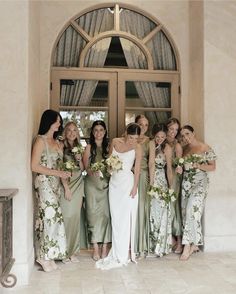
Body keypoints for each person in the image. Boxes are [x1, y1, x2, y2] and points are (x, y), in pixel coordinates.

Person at [96, 123, 142, 269]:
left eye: (136, 138)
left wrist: (135, 187)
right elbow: (109, 162)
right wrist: (110, 168)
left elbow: (138, 169)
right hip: (114, 184)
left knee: (126, 219)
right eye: (130, 137)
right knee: (116, 218)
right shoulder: (115, 142)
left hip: (128, 185)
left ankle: (123, 254)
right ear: (125, 133)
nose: (132, 141)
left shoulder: (137, 148)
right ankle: (116, 251)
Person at [31, 109, 71, 272]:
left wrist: (66, 184)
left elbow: (60, 167)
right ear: (48, 122)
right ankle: (42, 256)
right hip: (44, 183)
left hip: (56, 185)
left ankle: (49, 253)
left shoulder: (57, 142)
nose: (59, 124)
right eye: (57, 121)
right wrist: (57, 173)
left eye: (60, 122)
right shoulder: (40, 141)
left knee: (53, 218)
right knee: (48, 217)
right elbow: (34, 166)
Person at [180, 125, 216, 260]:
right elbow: (182, 166)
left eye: (188, 134)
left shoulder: (204, 147)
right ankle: (195, 243)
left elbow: (213, 166)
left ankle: (187, 246)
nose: (186, 137)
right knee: (185, 212)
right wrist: (180, 168)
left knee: (192, 209)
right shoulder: (185, 149)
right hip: (186, 182)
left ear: (193, 133)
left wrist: (199, 165)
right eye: (183, 136)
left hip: (200, 182)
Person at [83, 120, 111, 261]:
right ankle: (95, 248)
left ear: (105, 132)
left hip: (106, 184)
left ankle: (105, 247)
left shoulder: (109, 147)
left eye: (101, 130)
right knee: (92, 215)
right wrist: (91, 171)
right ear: (92, 132)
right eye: (96, 130)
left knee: (106, 215)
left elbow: (114, 164)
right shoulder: (88, 147)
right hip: (92, 185)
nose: (98, 132)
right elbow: (85, 167)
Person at [60, 121, 85, 263]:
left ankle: (73, 251)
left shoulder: (79, 147)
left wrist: (79, 159)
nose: (71, 132)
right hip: (67, 184)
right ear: (65, 132)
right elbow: (59, 167)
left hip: (78, 183)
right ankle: (64, 251)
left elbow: (82, 169)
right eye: (69, 130)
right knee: (66, 217)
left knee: (75, 218)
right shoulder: (60, 145)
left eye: (74, 130)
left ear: (77, 133)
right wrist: (66, 188)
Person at [148, 123, 173, 256]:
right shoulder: (151, 144)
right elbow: (151, 163)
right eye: (157, 136)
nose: (160, 139)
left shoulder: (167, 147)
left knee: (162, 211)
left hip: (162, 180)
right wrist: (151, 184)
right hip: (152, 179)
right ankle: (152, 244)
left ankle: (161, 246)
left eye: (163, 137)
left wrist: (171, 187)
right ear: (154, 135)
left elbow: (169, 168)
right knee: (153, 211)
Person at [134, 115, 150, 257]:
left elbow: (151, 163)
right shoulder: (129, 138)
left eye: (146, 125)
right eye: (141, 124)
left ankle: (141, 245)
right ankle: (130, 244)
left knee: (141, 208)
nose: (143, 127)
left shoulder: (149, 141)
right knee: (130, 209)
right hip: (128, 176)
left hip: (143, 176)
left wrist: (152, 183)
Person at [166, 118, 183, 254]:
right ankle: (168, 238)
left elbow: (179, 163)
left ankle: (178, 239)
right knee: (165, 207)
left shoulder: (177, 145)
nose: (173, 132)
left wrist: (179, 167)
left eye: (176, 130)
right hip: (162, 177)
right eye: (171, 129)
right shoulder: (160, 141)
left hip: (173, 178)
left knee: (173, 207)